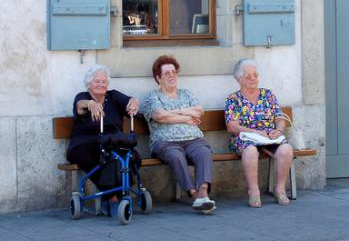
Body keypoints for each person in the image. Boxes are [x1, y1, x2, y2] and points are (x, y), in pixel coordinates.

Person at [141, 55, 216, 213]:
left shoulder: (186, 94)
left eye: (174, 72)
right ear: (158, 78)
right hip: (165, 142)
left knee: (204, 151)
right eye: (167, 73)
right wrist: (186, 119)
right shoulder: (151, 97)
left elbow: (199, 110)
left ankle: (203, 192)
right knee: (176, 155)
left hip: (193, 140)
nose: (172, 75)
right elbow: (160, 116)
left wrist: (177, 112)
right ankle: (194, 195)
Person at [66, 65, 141, 215]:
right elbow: (80, 105)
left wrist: (134, 102)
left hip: (111, 141)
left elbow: (129, 101)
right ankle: (113, 198)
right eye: (97, 81)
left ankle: (116, 196)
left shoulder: (113, 96)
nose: (101, 84)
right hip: (84, 143)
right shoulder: (83, 96)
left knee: (133, 158)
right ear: (89, 84)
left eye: (104, 81)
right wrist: (90, 104)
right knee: (98, 158)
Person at [225, 58, 294, 208]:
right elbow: (232, 126)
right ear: (239, 79)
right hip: (245, 138)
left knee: (286, 149)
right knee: (250, 151)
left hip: (269, 137)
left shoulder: (268, 95)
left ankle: (280, 190)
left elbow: (279, 117)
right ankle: (254, 192)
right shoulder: (233, 99)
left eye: (255, 75)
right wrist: (255, 132)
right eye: (248, 76)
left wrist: (279, 129)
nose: (253, 78)